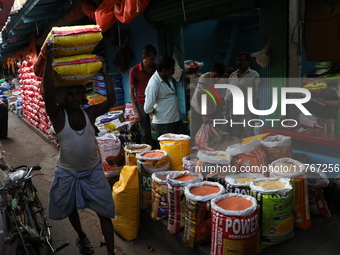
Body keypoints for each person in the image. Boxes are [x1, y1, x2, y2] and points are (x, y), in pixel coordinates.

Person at [42, 43, 116, 255]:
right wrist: (48, 60)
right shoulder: (58, 116)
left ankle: (111, 252)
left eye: (78, 93)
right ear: (64, 96)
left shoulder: (89, 113)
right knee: (69, 207)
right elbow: (48, 96)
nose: (75, 97)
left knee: (105, 212)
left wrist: (104, 72)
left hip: (92, 171)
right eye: (71, 94)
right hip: (68, 172)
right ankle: (82, 236)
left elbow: (111, 99)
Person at [144, 55, 186, 136]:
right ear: (164, 70)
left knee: (183, 144)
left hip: (175, 120)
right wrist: (154, 110)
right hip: (164, 123)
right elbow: (147, 108)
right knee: (169, 147)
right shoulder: (154, 84)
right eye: (172, 69)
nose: (174, 70)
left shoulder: (168, 77)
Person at [226, 52, 260, 139]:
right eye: (237, 60)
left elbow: (257, 92)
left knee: (248, 133)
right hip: (234, 109)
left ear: (248, 62)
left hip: (247, 109)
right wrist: (226, 106)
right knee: (234, 133)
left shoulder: (254, 75)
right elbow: (228, 92)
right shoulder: (233, 75)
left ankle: (248, 151)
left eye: (241, 60)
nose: (239, 62)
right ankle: (237, 151)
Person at [129, 45, 157, 147]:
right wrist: (135, 110)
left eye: (154, 58)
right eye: (151, 59)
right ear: (144, 57)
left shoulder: (156, 68)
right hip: (141, 104)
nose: (153, 61)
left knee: (158, 131)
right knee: (145, 134)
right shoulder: (134, 70)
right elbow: (131, 91)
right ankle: (148, 157)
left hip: (155, 104)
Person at [190, 62, 226, 138]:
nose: (216, 78)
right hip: (198, 108)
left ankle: (207, 148)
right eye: (215, 76)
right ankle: (194, 148)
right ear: (211, 71)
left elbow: (220, 100)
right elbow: (199, 96)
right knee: (196, 131)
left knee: (211, 131)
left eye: (219, 76)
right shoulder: (204, 78)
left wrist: (219, 116)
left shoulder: (221, 81)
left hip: (211, 108)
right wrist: (204, 115)